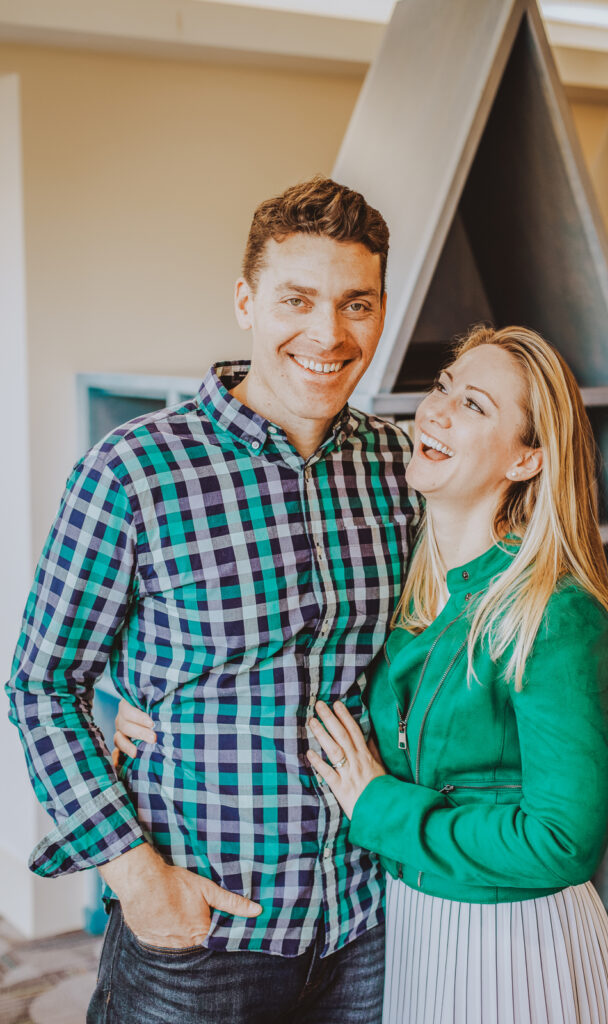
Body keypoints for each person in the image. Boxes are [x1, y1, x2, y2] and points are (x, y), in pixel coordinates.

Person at [6, 176, 422, 1024]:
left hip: (367, 924)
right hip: (198, 938)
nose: (328, 334)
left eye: (356, 304)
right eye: (297, 300)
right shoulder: (133, 470)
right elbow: (41, 686)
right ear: (245, 301)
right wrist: (134, 876)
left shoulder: (403, 464)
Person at [302, 325, 608, 1023]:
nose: (435, 410)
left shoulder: (556, 614)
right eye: (444, 387)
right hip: (416, 924)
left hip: (514, 943)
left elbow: (559, 843)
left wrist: (377, 805)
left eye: (474, 405)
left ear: (526, 460)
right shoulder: (416, 589)